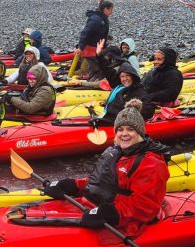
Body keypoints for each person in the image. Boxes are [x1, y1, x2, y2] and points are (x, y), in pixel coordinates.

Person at [42, 99, 170, 234]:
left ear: (140, 133)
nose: (124, 134)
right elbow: (101, 182)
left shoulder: (151, 164)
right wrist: (74, 186)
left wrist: (111, 213)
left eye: (130, 129)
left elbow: (145, 206)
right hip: (101, 205)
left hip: (128, 219)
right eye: (120, 129)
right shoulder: (118, 153)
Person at [98, 46, 155, 122]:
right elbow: (107, 71)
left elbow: (149, 109)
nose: (125, 79)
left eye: (128, 76)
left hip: (122, 121)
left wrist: (131, 112)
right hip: (110, 117)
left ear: (133, 76)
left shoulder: (138, 90)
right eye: (122, 76)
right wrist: (99, 55)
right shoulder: (119, 86)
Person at [78, 0, 114, 80]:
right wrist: (80, 47)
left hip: (97, 48)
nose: (112, 12)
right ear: (105, 9)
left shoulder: (102, 18)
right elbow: (85, 32)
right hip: (91, 49)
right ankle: (92, 84)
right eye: (111, 9)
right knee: (95, 69)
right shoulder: (96, 20)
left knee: (99, 68)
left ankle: (95, 82)